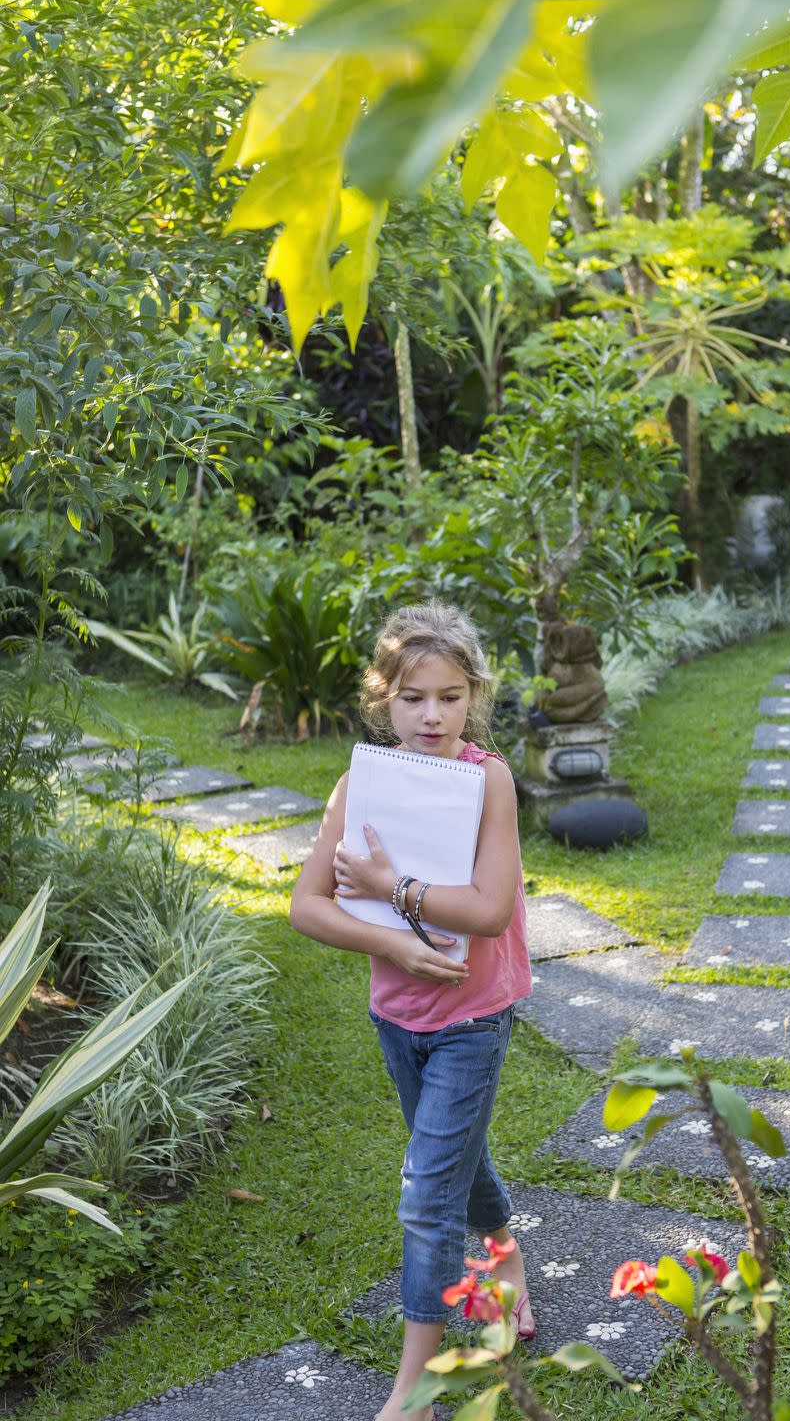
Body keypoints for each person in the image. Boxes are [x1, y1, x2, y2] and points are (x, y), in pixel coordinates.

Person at [289, 601, 535, 1421]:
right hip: (397, 1015)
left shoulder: (487, 778)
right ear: (382, 698)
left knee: (427, 1198)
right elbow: (306, 907)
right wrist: (392, 943)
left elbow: (491, 908)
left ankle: (414, 1393)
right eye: (413, 697)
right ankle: (508, 1267)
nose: (432, 715)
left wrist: (393, 891)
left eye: (451, 696)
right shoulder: (363, 782)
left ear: (474, 697)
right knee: (457, 1158)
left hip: (472, 1017)